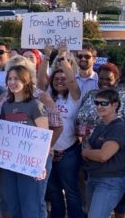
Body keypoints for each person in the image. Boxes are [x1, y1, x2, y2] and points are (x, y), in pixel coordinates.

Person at [0, 65, 52, 218]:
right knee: (13, 206)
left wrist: (41, 164)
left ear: (26, 81)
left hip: (32, 163)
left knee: (31, 207)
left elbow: (44, 138)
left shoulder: (35, 105)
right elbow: (4, 134)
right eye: (10, 79)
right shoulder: (6, 105)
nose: (12, 82)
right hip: (11, 163)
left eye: (17, 79)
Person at [81, 89, 125, 218]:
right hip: (93, 177)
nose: (99, 106)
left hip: (110, 180)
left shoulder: (119, 127)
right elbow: (92, 147)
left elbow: (103, 155)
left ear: (115, 105)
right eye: (97, 103)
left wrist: (87, 152)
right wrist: (90, 151)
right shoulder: (100, 126)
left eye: (104, 103)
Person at [45, 53, 83, 218]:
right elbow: (40, 81)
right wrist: (46, 57)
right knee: (53, 192)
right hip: (48, 151)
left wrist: (62, 58)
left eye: (63, 78)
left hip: (69, 152)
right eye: (56, 79)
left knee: (71, 192)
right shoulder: (46, 97)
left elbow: (73, 81)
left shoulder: (74, 98)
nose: (60, 81)